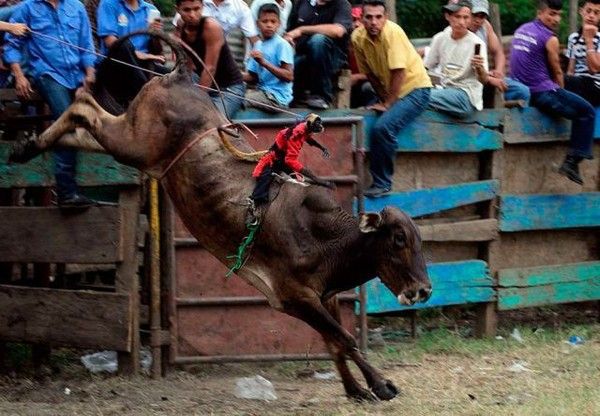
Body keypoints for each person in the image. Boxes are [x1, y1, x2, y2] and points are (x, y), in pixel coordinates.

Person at [4, 0, 98, 207]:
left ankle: (87, 187)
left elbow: (86, 45)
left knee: (96, 120)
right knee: (66, 120)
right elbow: (12, 47)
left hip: (77, 74)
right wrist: (19, 75)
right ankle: (66, 192)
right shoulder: (26, 8)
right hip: (47, 74)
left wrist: (90, 74)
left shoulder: (77, 7)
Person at [352, 0, 432, 197]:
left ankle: (383, 183)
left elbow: (399, 72)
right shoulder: (357, 37)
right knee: (366, 111)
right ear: (361, 19)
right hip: (390, 90)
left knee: (383, 128)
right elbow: (369, 73)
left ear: (385, 18)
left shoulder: (392, 33)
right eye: (369, 17)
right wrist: (381, 98)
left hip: (416, 89)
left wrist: (388, 104)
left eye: (378, 17)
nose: (373, 22)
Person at [510, 0, 595, 185]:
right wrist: (561, 93)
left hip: (522, 91)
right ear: (540, 13)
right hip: (542, 92)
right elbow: (557, 72)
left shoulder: (522, 30)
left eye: (558, 14)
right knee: (586, 111)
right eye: (551, 14)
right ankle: (572, 162)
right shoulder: (550, 38)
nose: (555, 19)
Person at [247, 113, 332, 224]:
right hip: (275, 159)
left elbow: (309, 139)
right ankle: (254, 206)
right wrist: (317, 179)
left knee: (296, 180)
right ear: (309, 124)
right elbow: (290, 161)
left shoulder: (305, 128)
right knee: (265, 180)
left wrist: (322, 148)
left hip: (283, 159)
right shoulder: (296, 135)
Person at [176, 0, 245, 116]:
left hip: (229, 89)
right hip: (200, 80)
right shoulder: (181, 25)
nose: (192, 15)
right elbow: (188, 63)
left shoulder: (210, 27)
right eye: (187, 10)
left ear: (202, 7)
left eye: (196, 9)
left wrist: (196, 100)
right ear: (178, 9)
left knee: (207, 120)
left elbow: (210, 68)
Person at [424, 0, 488, 118]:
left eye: (465, 18)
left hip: (466, 96)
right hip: (445, 91)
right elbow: (425, 67)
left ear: (470, 19)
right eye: (457, 17)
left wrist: (479, 68)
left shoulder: (477, 43)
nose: (461, 22)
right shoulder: (440, 39)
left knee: (419, 97)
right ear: (448, 16)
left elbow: (484, 80)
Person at [285, 0, 352, 109]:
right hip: (303, 56)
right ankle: (287, 99)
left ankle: (321, 96)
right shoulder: (302, 3)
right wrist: (289, 39)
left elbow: (338, 31)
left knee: (318, 40)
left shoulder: (342, 4)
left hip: (331, 58)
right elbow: (290, 31)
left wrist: (302, 30)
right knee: (292, 63)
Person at [469, 0, 530, 104]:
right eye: (474, 15)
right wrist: (489, 78)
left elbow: (498, 52)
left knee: (522, 91)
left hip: (486, 77)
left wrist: (499, 71)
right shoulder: (458, 31)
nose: (478, 20)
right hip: (469, 81)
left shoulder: (485, 26)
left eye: (482, 16)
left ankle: (511, 119)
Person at [243, 3, 294, 112]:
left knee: (240, 100)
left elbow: (289, 76)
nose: (269, 25)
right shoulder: (258, 45)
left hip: (277, 98)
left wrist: (263, 62)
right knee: (233, 95)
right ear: (257, 24)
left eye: (273, 21)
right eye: (265, 21)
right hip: (262, 93)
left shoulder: (282, 44)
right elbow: (253, 77)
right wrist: (232, 74)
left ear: (279, 24)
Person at [173, 0, 259, 45]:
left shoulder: (241, 8)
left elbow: (254, 39)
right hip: (189, 51)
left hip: (217, 53)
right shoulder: (192, 2)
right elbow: (178, 26)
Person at [564, 0, 600, 106]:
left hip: (595, 85)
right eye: (588, 11)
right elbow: (571, 70)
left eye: (596, 13)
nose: (591, 16)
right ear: (581, 11)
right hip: (577, 83)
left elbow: (593, 69)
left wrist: (589, 40)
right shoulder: (573, 38)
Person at [349, 5, 377, 108]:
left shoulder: (375, 42)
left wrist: (357, 77)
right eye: (353, 20)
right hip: (349, 85)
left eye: (359, 20)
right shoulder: (343, 44)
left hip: (370, 83)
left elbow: (380, 73)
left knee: (368, 87)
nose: (356, 24)